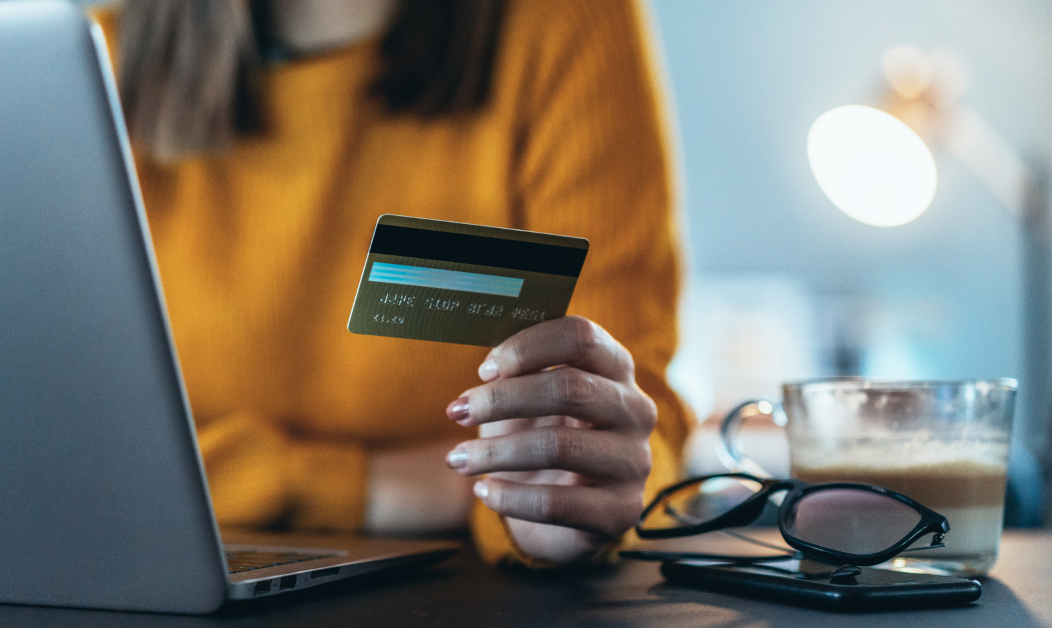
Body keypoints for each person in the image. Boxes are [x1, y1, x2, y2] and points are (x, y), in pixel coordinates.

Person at [92, 0, 690, 567]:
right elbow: (57, 466)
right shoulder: (88, 71)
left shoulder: (566, 28)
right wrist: (393, 488)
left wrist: (567, 498)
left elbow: (634, 420)